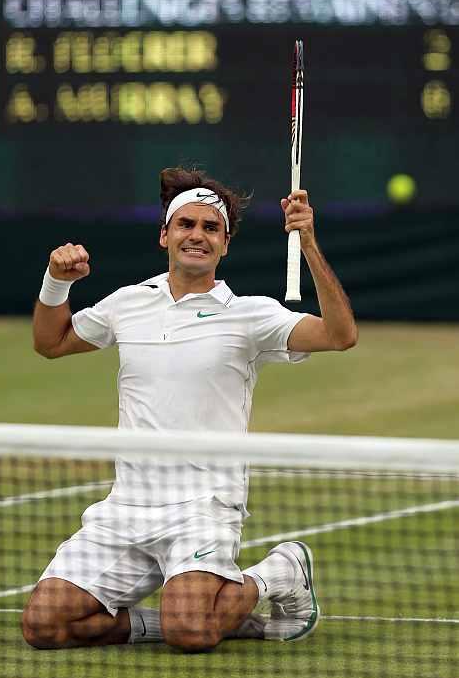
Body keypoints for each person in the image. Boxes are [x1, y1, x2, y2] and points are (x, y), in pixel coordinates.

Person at [22, 166, 357, 652]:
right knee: (43, 626)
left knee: (192, 635)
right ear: (165, 234)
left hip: (204, 505)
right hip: (127, 508)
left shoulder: (250, 315)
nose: (197, 235)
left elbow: (340, 334)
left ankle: (278, 573)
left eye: (210, 228)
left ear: (224, 245)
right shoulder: (127, 303)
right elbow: (50, 342)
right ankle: (185, 617)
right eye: (186, 224)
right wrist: (56, 282)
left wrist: (307, 242)